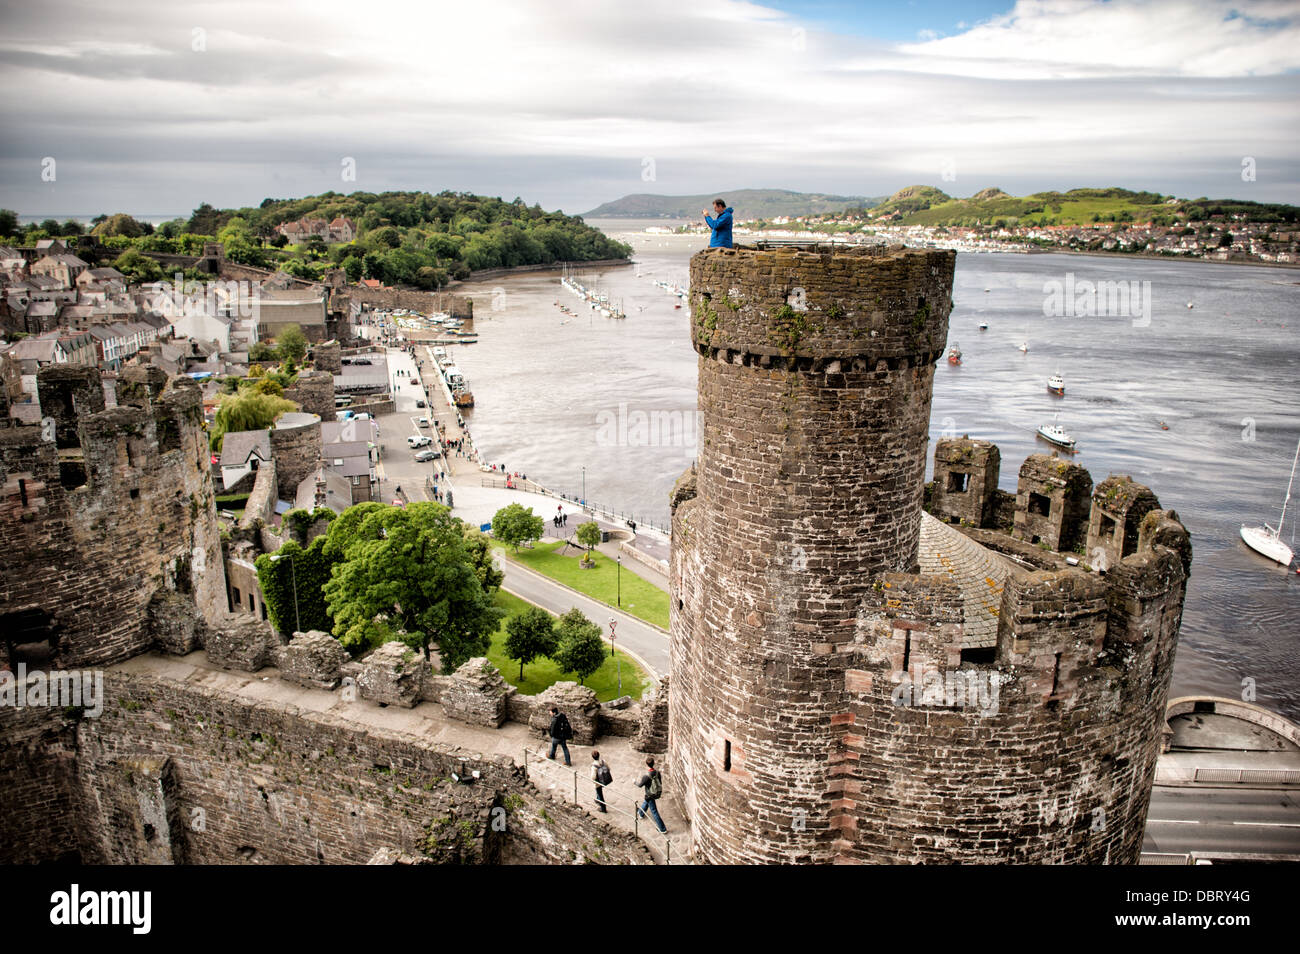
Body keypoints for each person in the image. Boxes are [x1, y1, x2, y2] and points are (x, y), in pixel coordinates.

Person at [635, 757, 667, 833]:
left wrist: (634, 782)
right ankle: (641, 813)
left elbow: (640, 785)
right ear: (653, 763)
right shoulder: (657, 773)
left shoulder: (646, 776)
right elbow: (660, 782)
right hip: (656, 793)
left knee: (654, 811)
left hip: (649, 794)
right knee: (646, 802)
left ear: (647, 764)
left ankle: (663, 829)